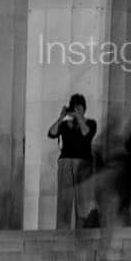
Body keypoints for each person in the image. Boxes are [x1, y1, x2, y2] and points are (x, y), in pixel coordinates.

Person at [48, 95, 97, 230]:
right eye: (75, 108)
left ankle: (82, 232)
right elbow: (51, 133)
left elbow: (86, 134)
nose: (77, 111)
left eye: (79, 109)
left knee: (83, 202)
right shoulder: (64, 125)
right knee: (64, 201)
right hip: (66, 162)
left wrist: (79, 117)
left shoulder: (91, 123)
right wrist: (61, 117)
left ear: (84, 109)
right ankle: (62, 233)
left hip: (83, 163)